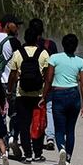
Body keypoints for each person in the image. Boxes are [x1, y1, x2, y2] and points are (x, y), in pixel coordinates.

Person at [40, 33, 83, 165]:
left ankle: (61, 148)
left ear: (63, 44)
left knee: (59, 129)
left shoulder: (54, 58)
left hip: (58, 94)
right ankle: (67, 160)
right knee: (70, 130)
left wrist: (44, 96)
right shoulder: (81, 62)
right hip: (73, 95)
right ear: (76, 46)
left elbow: (48, 80)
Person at [7, 26, 51, 163]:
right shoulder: (44, 53)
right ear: (37, 38)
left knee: (24, 125)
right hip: (38, 95)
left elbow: (13, 74)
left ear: (25, 38)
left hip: (22, 94)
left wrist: (9, 90)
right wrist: (45, 94)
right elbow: (47, 76)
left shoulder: (18, 53)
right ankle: (38, 154)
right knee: (38, 124)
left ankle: (27, 154)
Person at [0, 15, 23, 157]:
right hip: (9, 82)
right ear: (7, 25)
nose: (18, 28)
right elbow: (20, 62)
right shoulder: (13, 42)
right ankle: (12, 136)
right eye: (16, 25)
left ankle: (4, 144)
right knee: (14, 112)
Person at [28, 18, 58, 150]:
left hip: (31, 83)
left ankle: (32, 134)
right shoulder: (50, 44)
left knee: (32, 109)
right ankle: (50, 137)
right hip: (48, 82)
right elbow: (55, 64)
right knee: (49, 109)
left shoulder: (27, 45)